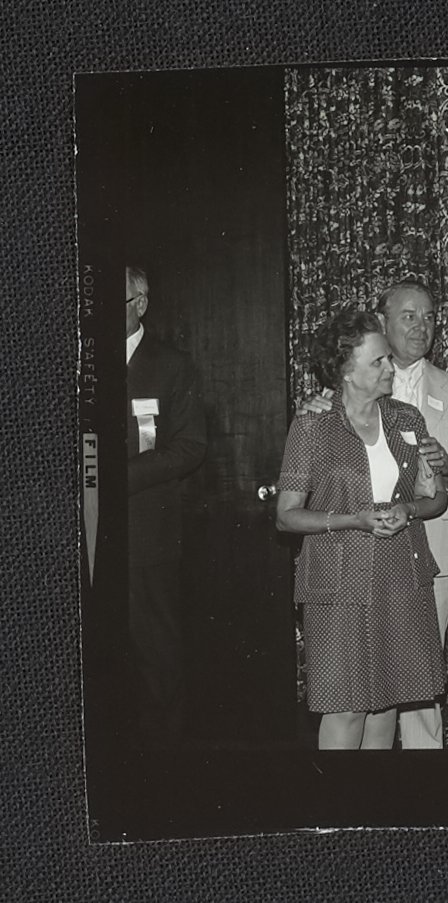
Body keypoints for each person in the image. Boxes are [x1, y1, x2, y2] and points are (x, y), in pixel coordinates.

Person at [298, 280, 448, 749]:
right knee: (355, 696)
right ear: (382, 322)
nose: (421, 325)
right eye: (409, 315)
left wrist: (447, 467)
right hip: (349, 564)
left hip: (423, 548)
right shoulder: (334, 395)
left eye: (429, 316)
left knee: (414, 684)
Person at [276, 307, 448, 750]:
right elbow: (286, 515)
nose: (391, 367)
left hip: (401, 577)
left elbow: (436, 498)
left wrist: (409, 509)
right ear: (346, 372)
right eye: (378, 361)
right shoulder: (312, 425)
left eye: (388, 357)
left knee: (388, 703)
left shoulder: (407, 419)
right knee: (346, 707)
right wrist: (353, 520)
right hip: (337, 586)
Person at [125, 265, 206, 748]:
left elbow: (190, 447)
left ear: (140, 304)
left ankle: (163, 762)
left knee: (156, 653)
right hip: (84, 535)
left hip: (145, 533)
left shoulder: (171, 365)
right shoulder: (79, 362)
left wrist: (117, 479)